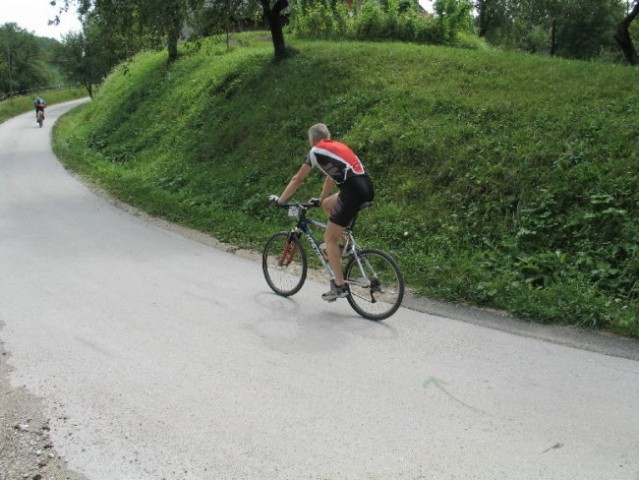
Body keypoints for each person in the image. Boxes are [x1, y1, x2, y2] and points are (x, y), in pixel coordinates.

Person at [270, 123, 375, 302]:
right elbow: (330, 177)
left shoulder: (316, 151)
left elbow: (298, 179)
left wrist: (281, 200)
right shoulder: (337, 147)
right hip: (366, 187)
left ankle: (340, 286)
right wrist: (321, 199)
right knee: (328, 205)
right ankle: (346, 244)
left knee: (328, 238)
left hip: (351, 192)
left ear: (311, 140)